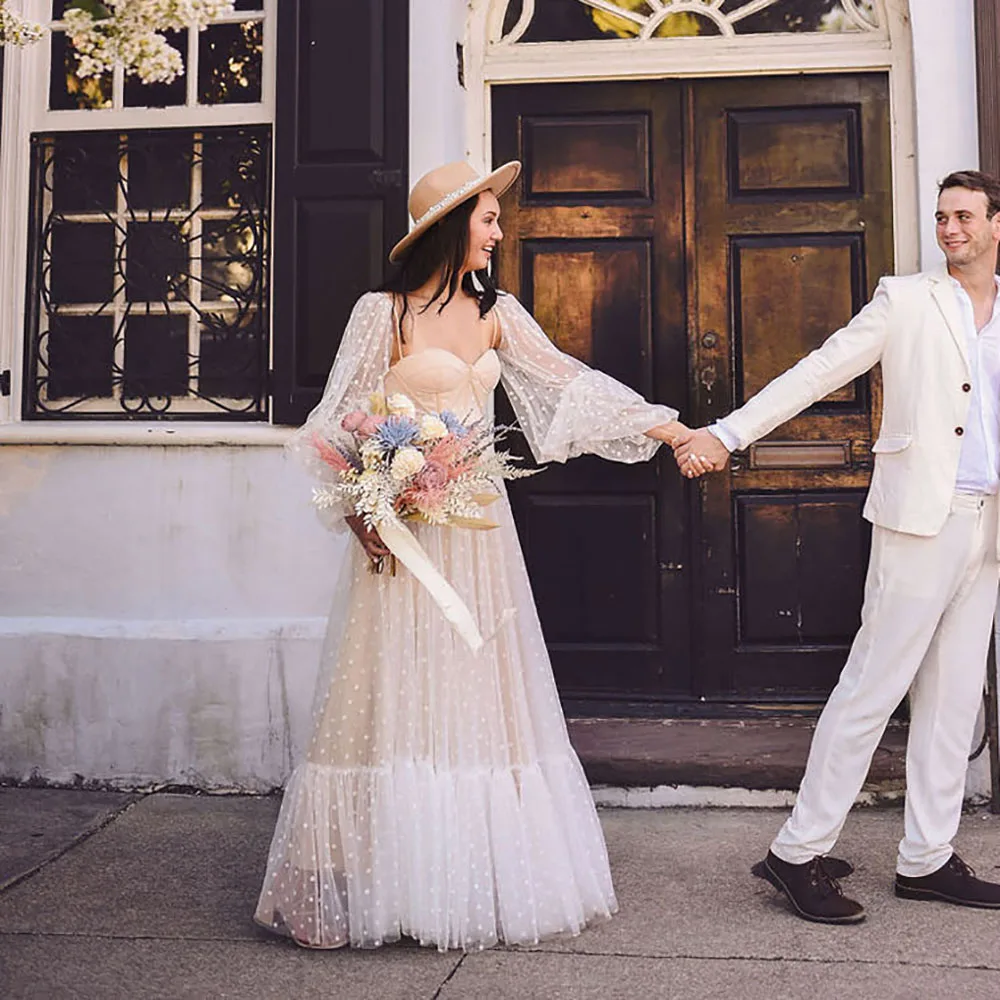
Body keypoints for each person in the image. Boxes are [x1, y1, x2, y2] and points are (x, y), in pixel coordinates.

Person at [254, 160, 690, 951]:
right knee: (391, 691)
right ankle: (360, 882)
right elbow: (335, 421)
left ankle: (467, 882)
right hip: (404, 534)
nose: (498, 231)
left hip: (479, 530)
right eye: (488, 218)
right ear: (454, 226)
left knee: (478, 691)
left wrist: (672, 429)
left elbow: (570, 385)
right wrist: (366, 502)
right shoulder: (380, 315)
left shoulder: (501, 315)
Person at [674, 170, 1000, 924]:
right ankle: (796, 852)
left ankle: (926, 858)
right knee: (871, 690)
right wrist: (726, 436)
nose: (949, 229)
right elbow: (818, 371)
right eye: (942, 216)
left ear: (994, 226)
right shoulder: (907, 299)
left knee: (952, 700)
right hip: (921, 520)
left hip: (987, 526)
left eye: (963, 217)